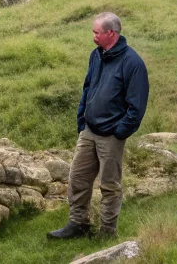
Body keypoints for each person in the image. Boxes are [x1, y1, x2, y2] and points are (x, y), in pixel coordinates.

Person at [48, 12, 149, 240]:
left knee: (109, 186)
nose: (93, 36)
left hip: (111, 135)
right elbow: (87, 88)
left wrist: (120, 131)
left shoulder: (133, 63)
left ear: (110, 33)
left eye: (97, 32)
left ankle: (107, 233)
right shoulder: (96, 55)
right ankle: (78, 224)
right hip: (89, 131)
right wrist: (82, 120)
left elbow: (137, 106)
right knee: (78, 178)